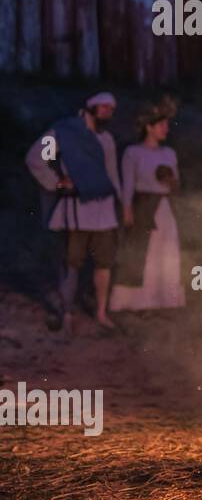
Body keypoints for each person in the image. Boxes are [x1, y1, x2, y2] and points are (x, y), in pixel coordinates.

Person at [25, 91, 123, 334]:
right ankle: (67, 312)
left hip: (103, 208)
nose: (108, 113)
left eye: (111, 109)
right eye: (103, 108)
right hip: (77, 207)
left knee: (104, 262)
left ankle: (101, 312)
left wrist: (121, 203)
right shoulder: (63, 133)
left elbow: (112, 175)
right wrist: (57, 181)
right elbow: (36, 157)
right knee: (72, 262)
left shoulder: (107, 139)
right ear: (90, 107)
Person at [110, 98, 185, 313]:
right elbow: (128, 185)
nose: (166, 129)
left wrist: (170, 181)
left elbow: (176, 185)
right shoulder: (133, 152)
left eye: (167, 125)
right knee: (146, 253)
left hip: (165, 207)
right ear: (149, 127)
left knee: (167, 251)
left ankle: (166, 301)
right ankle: (140, 302)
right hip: (144, 206)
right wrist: (127, 210)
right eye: (161, 125)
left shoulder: (169, 153)